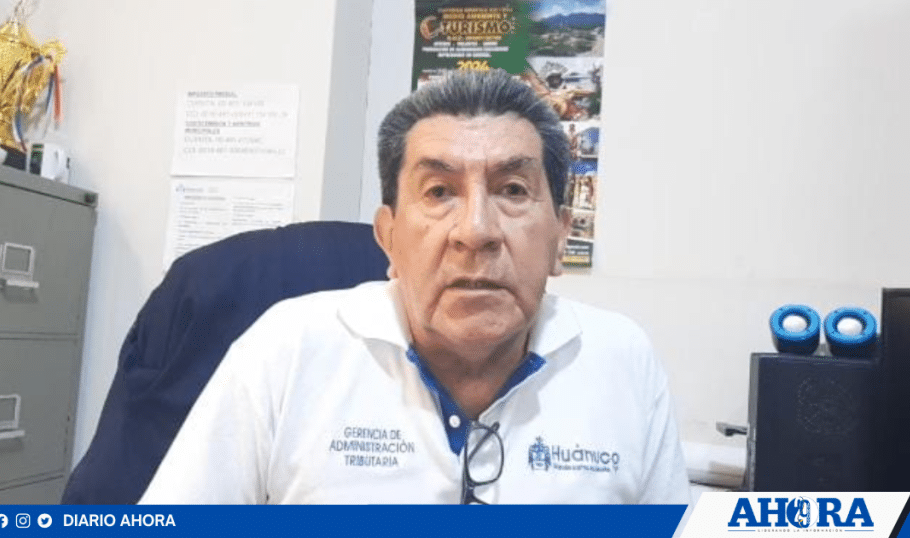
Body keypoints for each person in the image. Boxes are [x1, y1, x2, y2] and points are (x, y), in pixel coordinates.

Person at [140, 69, 690, 504]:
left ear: (559, 239)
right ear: (389, 239)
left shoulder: (623, 361)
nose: (476, 231)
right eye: (438, 192)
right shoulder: (286, 349)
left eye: (513, 189)